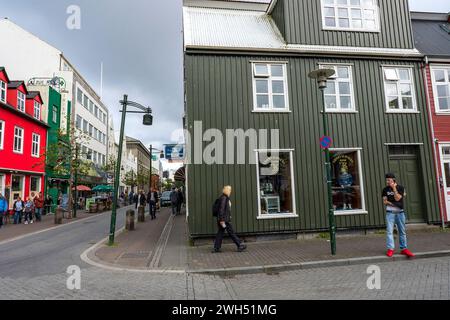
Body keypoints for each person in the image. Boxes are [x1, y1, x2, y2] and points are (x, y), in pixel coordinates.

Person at [382, 173, 414, 258]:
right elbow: (385, 201)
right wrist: (395, 204)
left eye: (389, 180)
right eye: (387, 180)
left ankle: (404, 249)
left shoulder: (401, 188)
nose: (387, 182)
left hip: (400, 213)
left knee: (402, 231)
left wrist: (394, 188)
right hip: (390, 213)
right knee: (389, 231)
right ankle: (390, 249)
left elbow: (398, 198)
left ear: (393, 180)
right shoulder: (385, 190)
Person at [212, 186, 246, 253]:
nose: (230, 191)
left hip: (223, 219)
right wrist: (222, 220)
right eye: (230, 190)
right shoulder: (224, 198)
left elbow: (226, 210)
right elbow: (221, 210)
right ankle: (239, 245)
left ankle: (216, 248)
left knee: (220, 233)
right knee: (231, 232)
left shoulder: (223, 197)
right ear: (227, 191)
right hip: (224, 220)